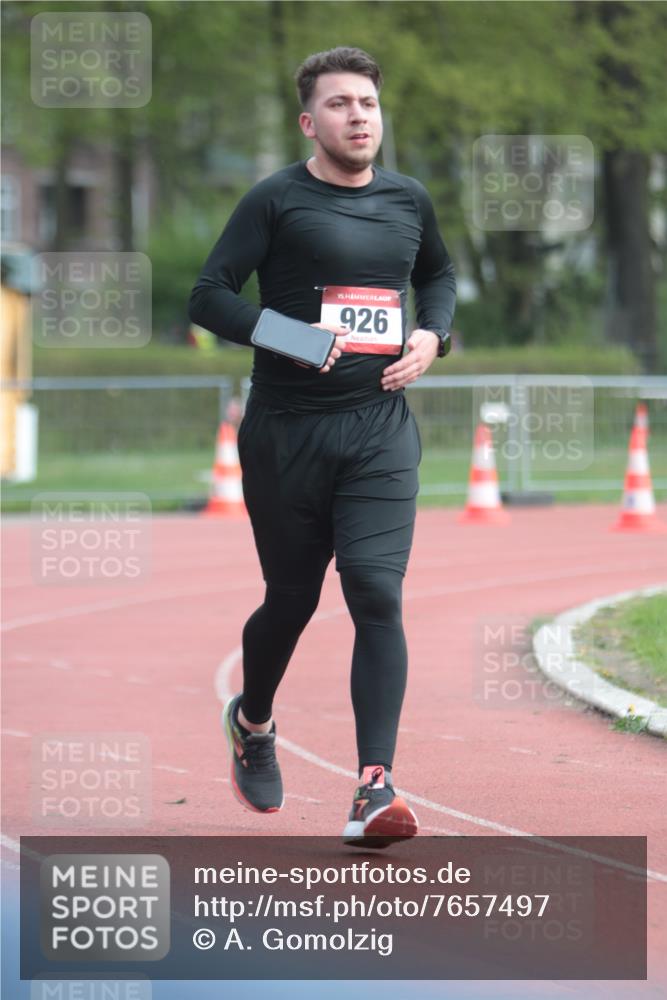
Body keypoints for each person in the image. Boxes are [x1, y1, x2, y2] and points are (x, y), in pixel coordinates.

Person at [189, 46, 456, 847]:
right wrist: (289, 336)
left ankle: (374, 786)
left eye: (368, 104)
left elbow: (438, 276)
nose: (358, 117)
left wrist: (431, 334)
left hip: (378, 432)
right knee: (292, 599)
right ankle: (254, 718)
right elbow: (207, 296)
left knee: (375, 589)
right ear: (311, 122)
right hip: (286, 435)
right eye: (340, 105)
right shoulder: (274, 201)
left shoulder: (408, 200)